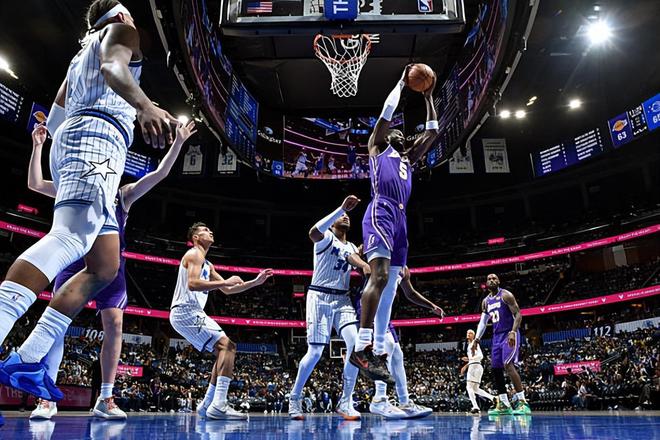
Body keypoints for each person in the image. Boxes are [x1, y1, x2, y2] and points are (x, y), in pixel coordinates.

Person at [0, 0, 176, 405]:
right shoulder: (122, 31)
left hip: (82, 143)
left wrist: (70, 149)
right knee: (68, 237)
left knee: (104, 266)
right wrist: (144, 105)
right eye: (131, 15)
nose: (134, 21)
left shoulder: (80, 57)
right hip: (97, 142)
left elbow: (56, 120)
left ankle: (28, 357)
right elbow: (114, 68)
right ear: (119, 16)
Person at [25, 120, 195, 420]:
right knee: (58, 326)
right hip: (74, 258)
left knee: (115, 325)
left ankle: (105, 397)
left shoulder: (123, 194)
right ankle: (46, 398)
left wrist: (179, 142)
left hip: (111, 264)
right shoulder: (76, 181)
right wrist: (38, 147)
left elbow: (159, 174)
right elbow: (35, 185)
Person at [350, 65, 439, 383]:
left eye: (403, 131)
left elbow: (432, 132)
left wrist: (428, 97)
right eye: (395, 131)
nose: (400, 132)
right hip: (381, 211)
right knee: (380, 275)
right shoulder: (378, 147)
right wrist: (402, 83)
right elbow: (387, 113)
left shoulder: (408, 158)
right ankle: (361, 347)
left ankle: (378, 351)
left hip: (401, 219)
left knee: (391, 284)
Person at [169, 222, 273, 420]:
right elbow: (193, 284)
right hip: (186, 310)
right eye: (204, 230)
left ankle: (207, 404)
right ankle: (218, 404)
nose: (210, 231)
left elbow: (228, 290)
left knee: (223, 351)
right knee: (228, 346)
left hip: (190, 312)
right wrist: (225, 281)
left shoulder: (207, 264)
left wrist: (255, 282)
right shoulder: (194, 254)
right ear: (196, 238)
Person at [288, 195, 370, 421]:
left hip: (342, 299)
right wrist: (341, 208)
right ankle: (295, 397)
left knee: (356, 346)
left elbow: (354, 259)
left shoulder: (352, 247)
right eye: (341, 216)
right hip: (319, 296)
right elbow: (312, 232)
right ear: (332, 222)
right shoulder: (325, 238)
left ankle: (346, 401)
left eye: (347, 215)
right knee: (315, 352)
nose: (346, 217)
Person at [355, 266, 443, 419]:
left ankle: (405, 402)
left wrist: (431, 306)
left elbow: (410, 293)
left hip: (385, 313)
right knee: (386, 346)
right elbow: (361, 267)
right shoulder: (378, 256)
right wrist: (366, 265)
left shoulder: (402, 268)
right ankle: (379, 398)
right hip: (370, 306)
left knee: (397, 355)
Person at [472, 274, 531, 415]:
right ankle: (504, 404)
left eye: (494, 278)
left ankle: (523, 402)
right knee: (495, 369)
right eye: (489, 279)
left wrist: (513, 331)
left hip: (509, 333)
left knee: (508, 365)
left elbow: (518, 314)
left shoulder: (506, 295)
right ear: (486, 283)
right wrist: (477, 339)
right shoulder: (486, 302)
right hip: (496, 337)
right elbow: (483, 322)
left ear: (498, 281)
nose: (492, 280)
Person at [460, 329, 495, 414]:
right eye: (467, 333)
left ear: (474, 335)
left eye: (470, 333)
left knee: (469, 387)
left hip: (474, 367)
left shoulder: (474, 343)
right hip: (476, 366)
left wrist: (469, 360)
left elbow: (480, 356)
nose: (468, 334)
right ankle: (493, 398)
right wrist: (468, 360)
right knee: (475, 389)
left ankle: (475, 406)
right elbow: (474, 358)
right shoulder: (469, 345)